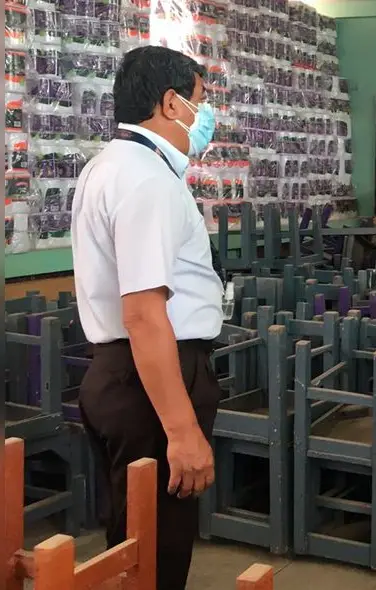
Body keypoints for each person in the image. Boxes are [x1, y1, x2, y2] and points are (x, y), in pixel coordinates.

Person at [71, 46, 227, 590]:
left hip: (126, 371)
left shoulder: (109, 167)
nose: (206, 116)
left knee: (134, 539)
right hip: (153, 376)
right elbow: (142, 314)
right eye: (201, 101)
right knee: (156, 546)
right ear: (171, 103)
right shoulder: (146, 179)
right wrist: (182, 432)